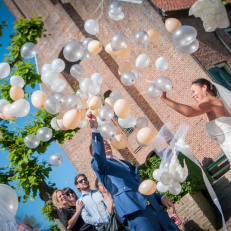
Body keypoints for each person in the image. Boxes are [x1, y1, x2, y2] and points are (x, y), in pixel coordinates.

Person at [87, 112, 180, 231]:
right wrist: (95, 127)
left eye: (106, 142)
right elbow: (99, 155)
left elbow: (140, 186)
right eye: (102, 143)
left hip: (154, 207)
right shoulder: (100, 166)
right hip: (135, 211)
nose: (105, 143)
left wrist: (160, 199)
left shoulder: (124, 163)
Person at [160, 78, 231, 162]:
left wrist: (164, 98)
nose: (192, 95)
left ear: (204, 87)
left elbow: (189, 112)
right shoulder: (210, 107)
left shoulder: (210, 100)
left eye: (193, 91)